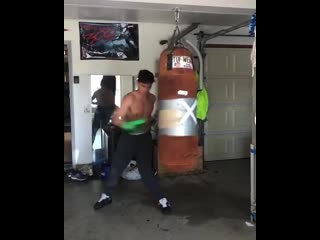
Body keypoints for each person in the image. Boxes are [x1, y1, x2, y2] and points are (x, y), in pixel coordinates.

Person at [93, 69, 172, 214]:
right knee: (117, 168)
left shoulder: (152, 98)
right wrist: (131, 125)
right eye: (143, 86)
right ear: (138, 82)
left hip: (144, 138)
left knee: (146, 171)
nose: (145, 90)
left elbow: (149, 117)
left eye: (148, 87)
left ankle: (162, 200)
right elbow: (117, 119)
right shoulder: (129, 98)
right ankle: (106, 196)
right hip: (128, 137)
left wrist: (152, 122)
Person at [91, 76, 117, 145]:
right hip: (106, 111)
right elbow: (112, 104)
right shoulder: (110, 92)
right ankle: (110, 146)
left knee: (94, 129)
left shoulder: (97, 92)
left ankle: (91, 145)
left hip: (101, 111)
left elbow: (90, 100)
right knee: (105, 129)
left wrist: (96, 102)